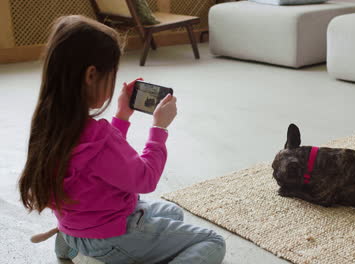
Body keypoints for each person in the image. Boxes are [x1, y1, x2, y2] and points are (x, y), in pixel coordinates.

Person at [18, 15, 225, 264]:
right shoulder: (99, 137)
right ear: (91, 75)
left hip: (77, 226)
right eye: (111, 74)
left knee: (173, 212)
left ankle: (67, 244)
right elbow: (144, 179)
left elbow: (101, 163)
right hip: (110, 237)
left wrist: (121, 117)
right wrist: (160, 129)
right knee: (212, 242)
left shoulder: (49, 125)